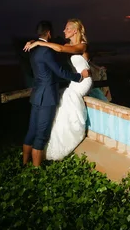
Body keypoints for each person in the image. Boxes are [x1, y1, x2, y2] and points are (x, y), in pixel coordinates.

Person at [23, 19, 94, 160]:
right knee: (61, 103)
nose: (63, 30)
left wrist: (38, 43)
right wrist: (33, 41)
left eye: (67, 28)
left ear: (75, 30)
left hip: (83, 80)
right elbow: (54, 44)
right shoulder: (68, 44)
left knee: (66, 98)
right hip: (75, 79)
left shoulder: (82, 46)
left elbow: (59, 49)